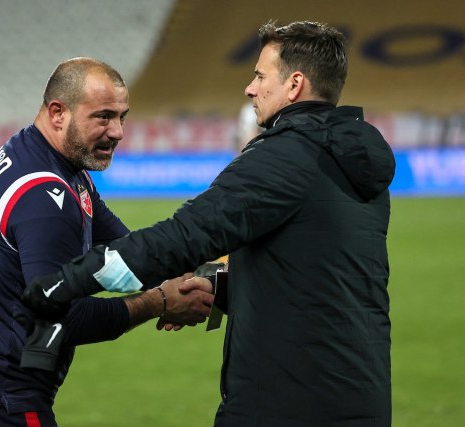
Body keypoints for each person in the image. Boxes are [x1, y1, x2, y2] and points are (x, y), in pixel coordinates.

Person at [23, 21, 396, 426]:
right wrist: (216, 287)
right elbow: (314, 282)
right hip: (360, 395)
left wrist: (61, 285)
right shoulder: (356, 164)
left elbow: (182, 238)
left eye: (260, 76)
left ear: (294, 85)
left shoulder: (285, 157)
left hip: (287, 402)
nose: (250, 89)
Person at [0, 57, 214, 427]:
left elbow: (127, 249)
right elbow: (62, 318)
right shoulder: (44, 194)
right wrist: (160, 302)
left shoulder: (45, 159)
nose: (118, 131)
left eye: (122, 117)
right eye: (103, 117)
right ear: (58, 113)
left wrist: (199, 274)